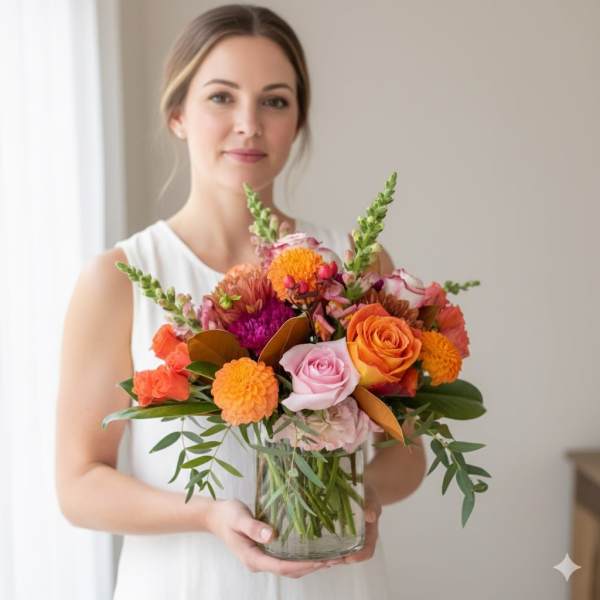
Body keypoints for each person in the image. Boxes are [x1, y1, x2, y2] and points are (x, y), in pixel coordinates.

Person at [55, 5, 427, 599]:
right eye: (221, 97)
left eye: (274, 101)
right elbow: (78, 485)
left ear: (298, 120)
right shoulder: (119, 280)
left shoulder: (356, 265)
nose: (249, 124)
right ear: (178, 114)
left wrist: (365, 496)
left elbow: (407, 454)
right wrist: (206, 515)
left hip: (336, 582)